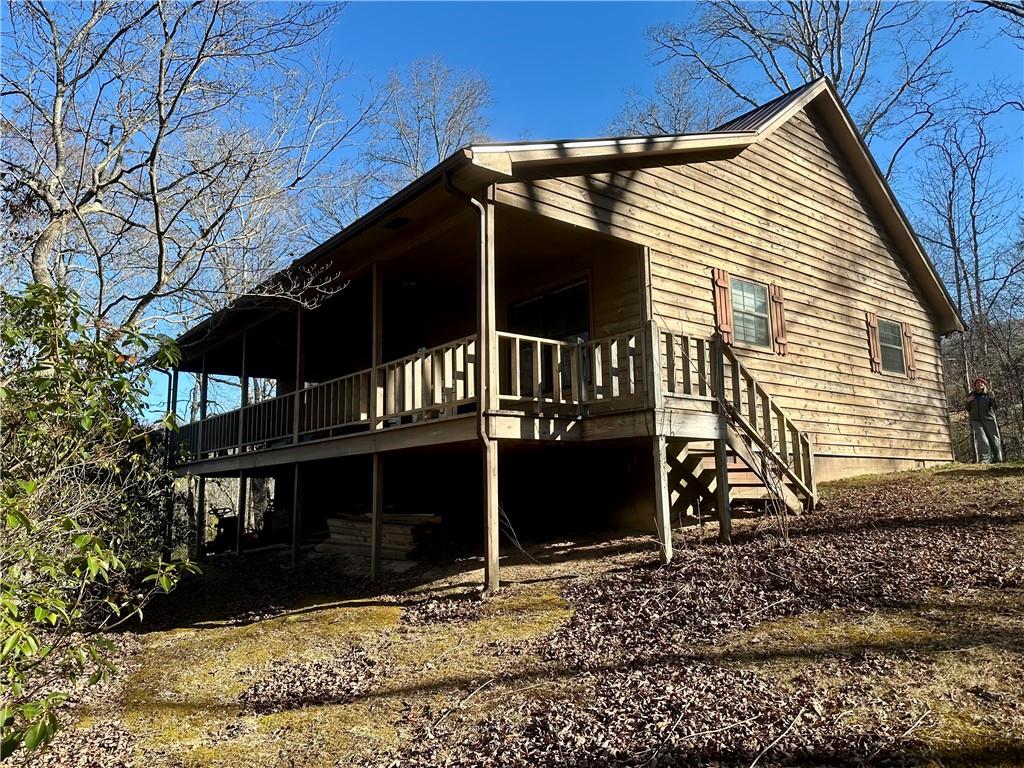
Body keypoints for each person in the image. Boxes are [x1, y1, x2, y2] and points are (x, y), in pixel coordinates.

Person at [966, 377, 1003, 463]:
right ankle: (984, 460)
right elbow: (968, 409)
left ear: (984, 385)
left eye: (981, 383)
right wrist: (967, 402)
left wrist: (993, 399)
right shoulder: (971, 395)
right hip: (976, 420)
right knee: (981, 438)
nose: (980, 384)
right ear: (974, 386)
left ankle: (998, 458)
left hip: (989, 419)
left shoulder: (989, 394)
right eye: (977, 383)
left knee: (994, 438)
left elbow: (995, 407)